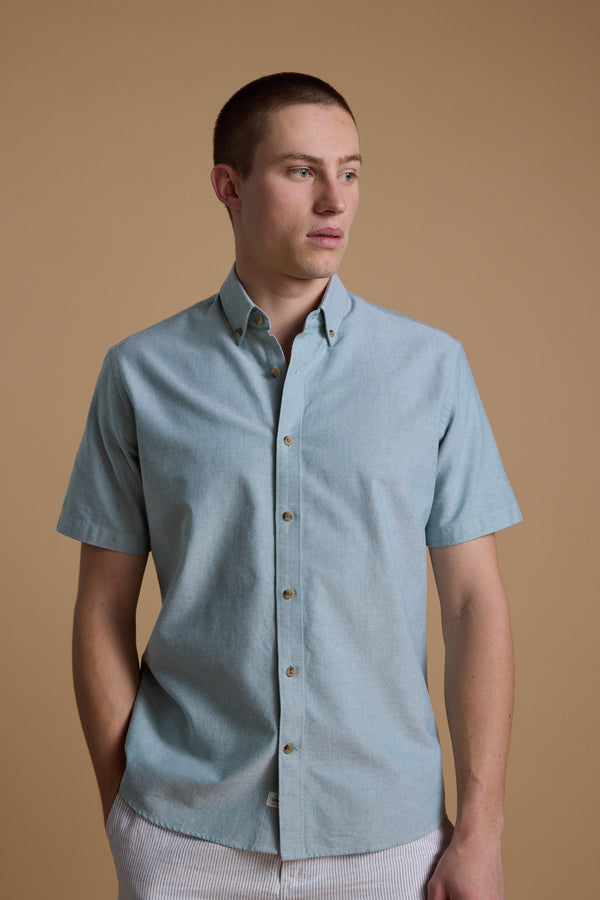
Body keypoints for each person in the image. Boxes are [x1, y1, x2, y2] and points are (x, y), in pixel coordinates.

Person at [58, 73, 521, 900]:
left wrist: (480, 828)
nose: (333, 200)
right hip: (185, 837)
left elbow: (472, 604)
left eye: (349, 171)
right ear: (228, 187)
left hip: (390, 842)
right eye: (301, 171)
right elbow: (101, 606)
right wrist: (126, 815)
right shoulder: (140, 374)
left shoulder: (432, 370)